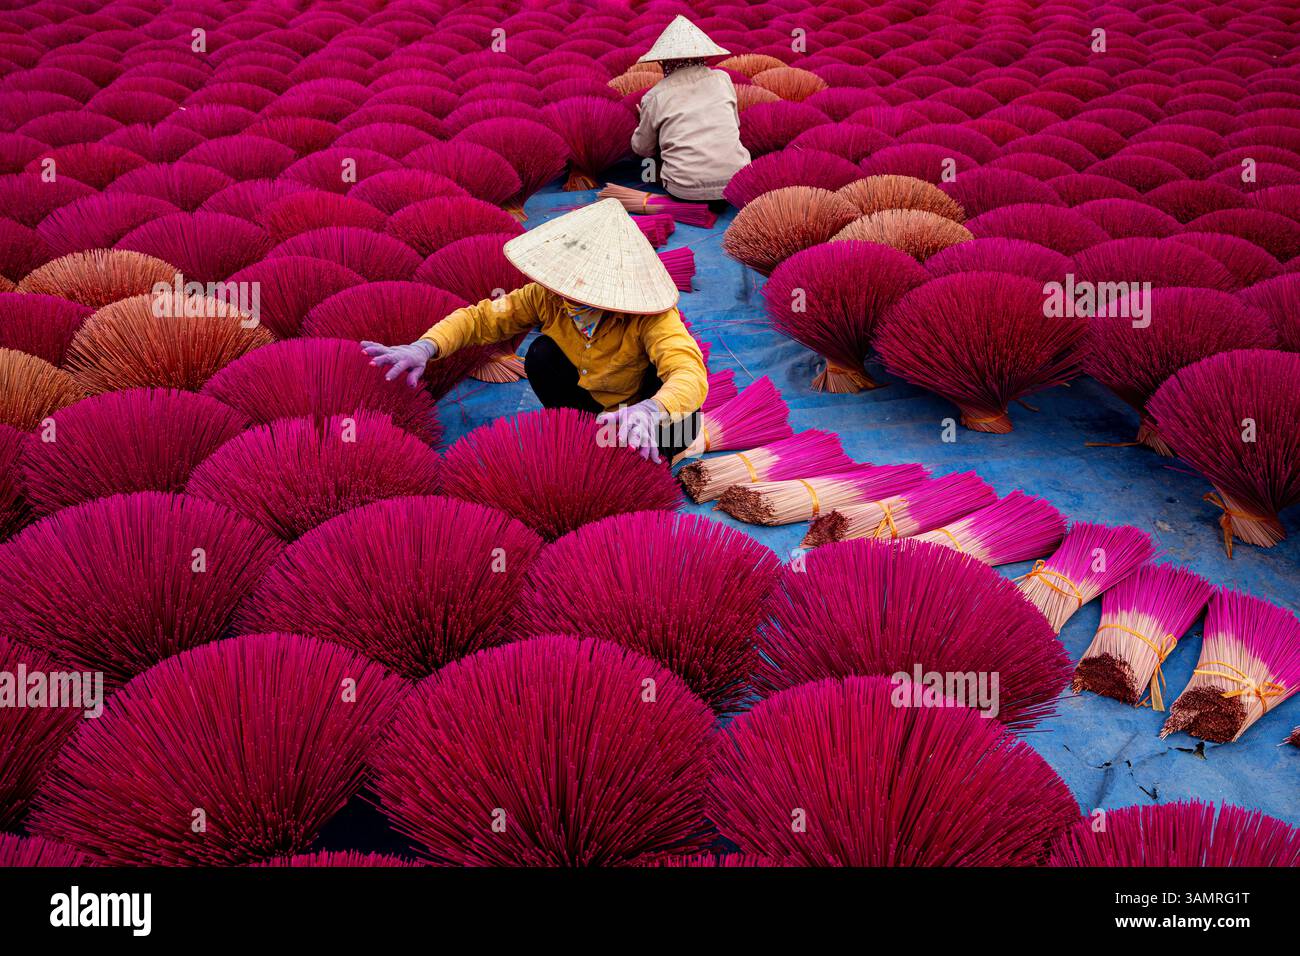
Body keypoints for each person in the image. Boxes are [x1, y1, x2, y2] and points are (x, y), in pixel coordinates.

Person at [361, 199, 706, 463]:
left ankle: (648, 445)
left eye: (580, 289)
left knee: (684, 426)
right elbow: (481, 319)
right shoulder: (546, 296)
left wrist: (650, 411)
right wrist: (425, 347)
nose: (566, 295)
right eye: (565, 284)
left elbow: (689, 372)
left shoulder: (653, 316)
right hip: (592, 404)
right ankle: (586, 433)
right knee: (541, 356)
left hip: (646, 410)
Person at [630, 15, 750, 206]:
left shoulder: (656, 96)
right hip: (737, 183)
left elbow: (642, 149)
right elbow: (735, 125)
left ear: (663, 61)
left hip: (685, 190)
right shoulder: (723, 79)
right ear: (701, 56)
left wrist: (644, 120)